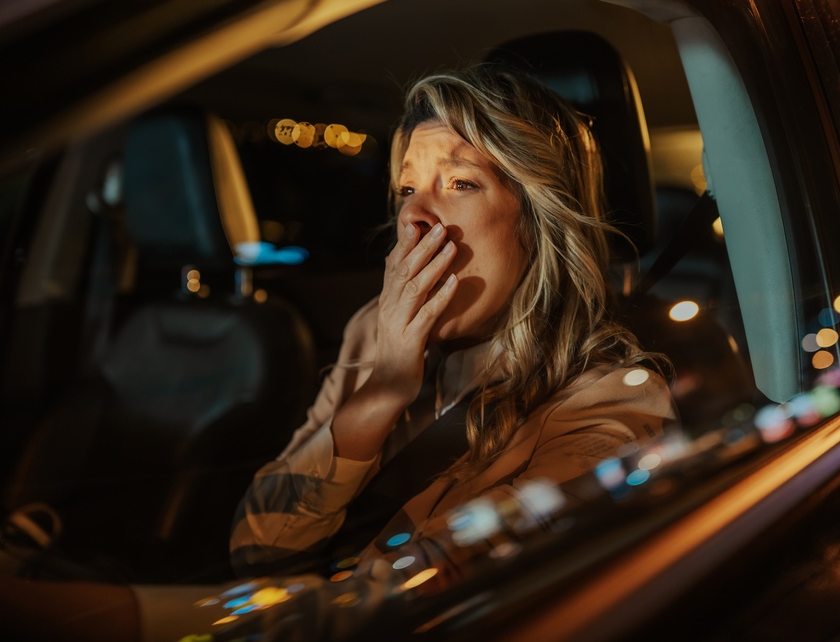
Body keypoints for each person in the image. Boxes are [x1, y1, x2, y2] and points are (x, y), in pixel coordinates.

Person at [0, 63, 678, 641]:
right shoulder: (371, 332)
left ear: (540, 220)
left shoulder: (607, 402)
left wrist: (97, 620)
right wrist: (380, 394)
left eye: (461, 183)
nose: (415, 215)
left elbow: (419, 607)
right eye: (407, 188)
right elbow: (260, 547)